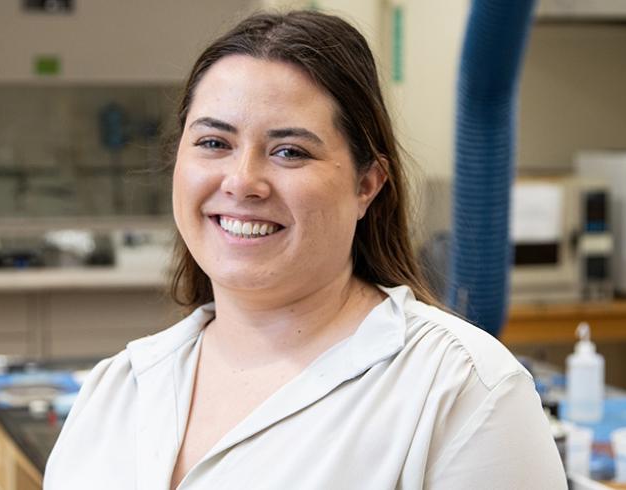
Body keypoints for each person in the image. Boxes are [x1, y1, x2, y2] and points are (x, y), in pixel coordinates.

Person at [44, 10, 566, 489]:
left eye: (289, 151)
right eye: (213, 143)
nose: (243, 181)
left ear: (367, 184)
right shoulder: (117, 389)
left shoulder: (462, 389)